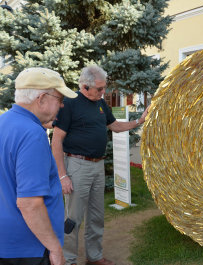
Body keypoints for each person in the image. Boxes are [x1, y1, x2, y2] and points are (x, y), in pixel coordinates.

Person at [51, 65, 149, 265]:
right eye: (99, 89)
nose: (103, 92)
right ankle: (68, 260)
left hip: (97, 166)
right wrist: (63, 175)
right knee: (73, 218)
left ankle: (93, 256)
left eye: (104, 88)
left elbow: (115, 126)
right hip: (77, 166)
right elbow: (56, 141)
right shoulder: (70, 104)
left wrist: (139, 121)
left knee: (97, 215)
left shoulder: (101, 104)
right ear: (85, 87)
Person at [0, 67, 78, 265]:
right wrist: (55, 249)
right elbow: (29, 203)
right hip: (29, 247)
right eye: (59, 100)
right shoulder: (32, 134)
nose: (61, 106)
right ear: (42, 98)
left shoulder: (4, 121)